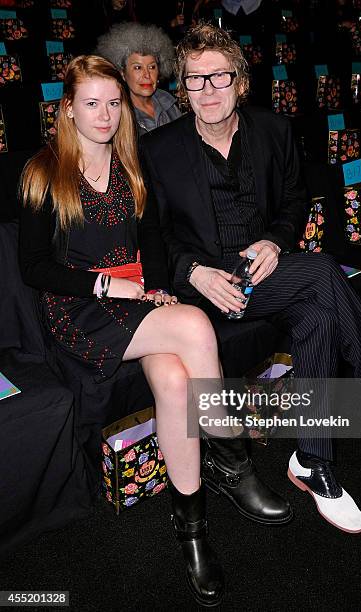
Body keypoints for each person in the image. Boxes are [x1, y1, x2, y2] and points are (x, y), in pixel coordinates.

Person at [139, 23, 361, 536]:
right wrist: (194, 271)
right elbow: (156, 235)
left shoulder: (274, 130)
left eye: (219, 77)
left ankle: (313, 463)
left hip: (265, 271)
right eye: (195, 80)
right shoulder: (159, 149)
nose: (208, 90)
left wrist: (276, 241)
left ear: (240, 81)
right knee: (322, 273)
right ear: (183, 89)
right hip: (203, 287)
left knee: (318, 316)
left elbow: (296, 200)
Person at [18, 54, 291, 608]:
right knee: (194, 325)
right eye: (91, 104)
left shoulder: (131, 165)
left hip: (139, 302)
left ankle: (191, 531)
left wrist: (158, 286)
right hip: (80, 309)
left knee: (172, 381)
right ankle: (233, 459)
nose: (105, 115)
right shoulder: (43, 171)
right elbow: (33, 267)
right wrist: (104, 287)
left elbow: (154, 243)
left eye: (114, 104)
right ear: (67, 109)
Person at [96, 22, 181, 136]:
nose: (147, 75)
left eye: (152, 67)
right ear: (122, 74)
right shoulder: (118, 115)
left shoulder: (169, 104)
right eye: (138, 67)